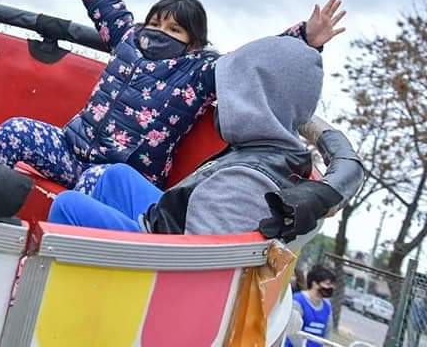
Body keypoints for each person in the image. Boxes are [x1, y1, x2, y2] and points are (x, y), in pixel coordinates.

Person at [0, 0, 347, 191]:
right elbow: (104, 1)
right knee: (15, 131)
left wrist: (305, 38)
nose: (159, 32)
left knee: (96, 181)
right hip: (71, 150)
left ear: (193, 43)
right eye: (155, 22)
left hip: (121, 176)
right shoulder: (127, 39)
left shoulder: (199, 71)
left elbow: (253, 61)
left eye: (174, 29)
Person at [48, 36, 363, 238]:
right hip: (171, 224)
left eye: (231, 91)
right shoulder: (275, 151)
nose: (222, 100)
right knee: (116, 177)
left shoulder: (245, 181)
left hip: (157, 258)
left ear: (254, 100)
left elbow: (187, 268)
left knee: (68, 206)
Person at [285, 266, 336, 347]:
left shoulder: (327, 306)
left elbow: (328, 333)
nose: (331, 288)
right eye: (327, 284)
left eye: (332, 285)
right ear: (314, 284)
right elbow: (292, 332)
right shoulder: (298, 301)